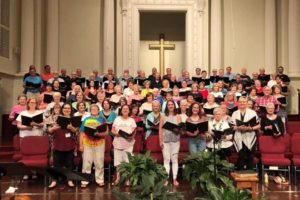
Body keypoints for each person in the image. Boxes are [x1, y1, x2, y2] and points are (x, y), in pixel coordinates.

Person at [47, 103, 78, 189]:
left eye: (69, 108)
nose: (67, 110)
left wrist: (71, 128)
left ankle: (70, 180)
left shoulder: (73, 119)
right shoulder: (55, 118)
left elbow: (76, 131)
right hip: (58, 144)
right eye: (65, 108)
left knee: (69, 164)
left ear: (71, 110)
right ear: (62, 109)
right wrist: (54, 128)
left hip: (69, 145)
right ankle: (54, 181)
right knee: (56, 165)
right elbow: (49, 131)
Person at [79, 104, 108, 187]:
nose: (94, 110)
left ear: (98, 110)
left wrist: (99, 134)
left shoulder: (102, 119)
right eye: (92, 109)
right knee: (86, 163)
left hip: (99, 144)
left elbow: (106, 132)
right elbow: (82, 133)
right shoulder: (86, 119)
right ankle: (85, 181)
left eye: (95, 108)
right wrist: (81, 145)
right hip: (87, 143)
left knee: (99, 162)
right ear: (90, 110)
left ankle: (100, 180)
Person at [231, 96, 260, 170]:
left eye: (244, 102)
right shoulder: (235, 113)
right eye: (240, 102)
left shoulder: (253, 112)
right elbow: (231, 126)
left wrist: (251, 128)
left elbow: (259, 125)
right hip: (238, 136)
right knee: (240, 156)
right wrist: (237, 127)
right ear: (238, 103)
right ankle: (240, 176)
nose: (242, 103)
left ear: (247, 103)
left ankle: (250, 176)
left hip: (250, 136)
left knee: (250, 156)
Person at [111, 104, 137, 185]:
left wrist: (130, 136)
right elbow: (112, 130)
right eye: (123, 109)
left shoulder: (132, 120)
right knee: (118, 163)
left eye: (127, 109)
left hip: (128, 143)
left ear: (129, 110)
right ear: (121, 110)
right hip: (118, 142)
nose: (125, 110)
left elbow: (134, 131)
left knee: (127, 161)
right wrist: (116, 133)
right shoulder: (117, 119)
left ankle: (127, 180)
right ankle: (118, 179)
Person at [159, 100, 182, 186]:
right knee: (166, 160)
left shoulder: (178, 116)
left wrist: (178, 129)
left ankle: (174, 179)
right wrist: (160, 141)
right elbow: (160, 129)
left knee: (174, 160)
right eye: (169, 105)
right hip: (165, 141)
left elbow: (181, 129)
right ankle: (166, 179)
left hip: (175, 141)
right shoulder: (163, 116)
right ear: (166, 106)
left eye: (172, 104)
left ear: (174, 106)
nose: (170, 106)